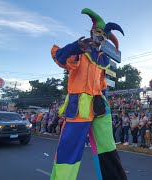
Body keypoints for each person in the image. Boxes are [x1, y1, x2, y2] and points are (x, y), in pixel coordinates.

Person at [50, 8, 126, 180]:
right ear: (92, 32)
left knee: (107, 148)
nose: (101, 37)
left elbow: (102, 85)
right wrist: (75, 48)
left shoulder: (103, 59)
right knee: (68, 151)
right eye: (98, 33)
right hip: (79, 107)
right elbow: (61, 59)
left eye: (104, 36)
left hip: (100, 107)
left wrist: (106, 102)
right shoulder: (80, 52)